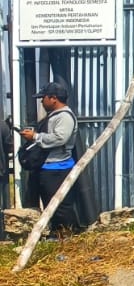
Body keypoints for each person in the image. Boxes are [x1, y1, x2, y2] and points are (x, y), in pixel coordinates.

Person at [20, 80, 95, 234]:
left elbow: (59, 138)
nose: (42, 101)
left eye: (44, 97)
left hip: (57, 168)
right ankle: (56, 233)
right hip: (47, 167)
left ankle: (68, 235)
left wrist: (35, 137)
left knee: (61, 206)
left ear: (53, 98)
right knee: (49, 204)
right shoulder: (53, 116)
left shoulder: (65, 116)